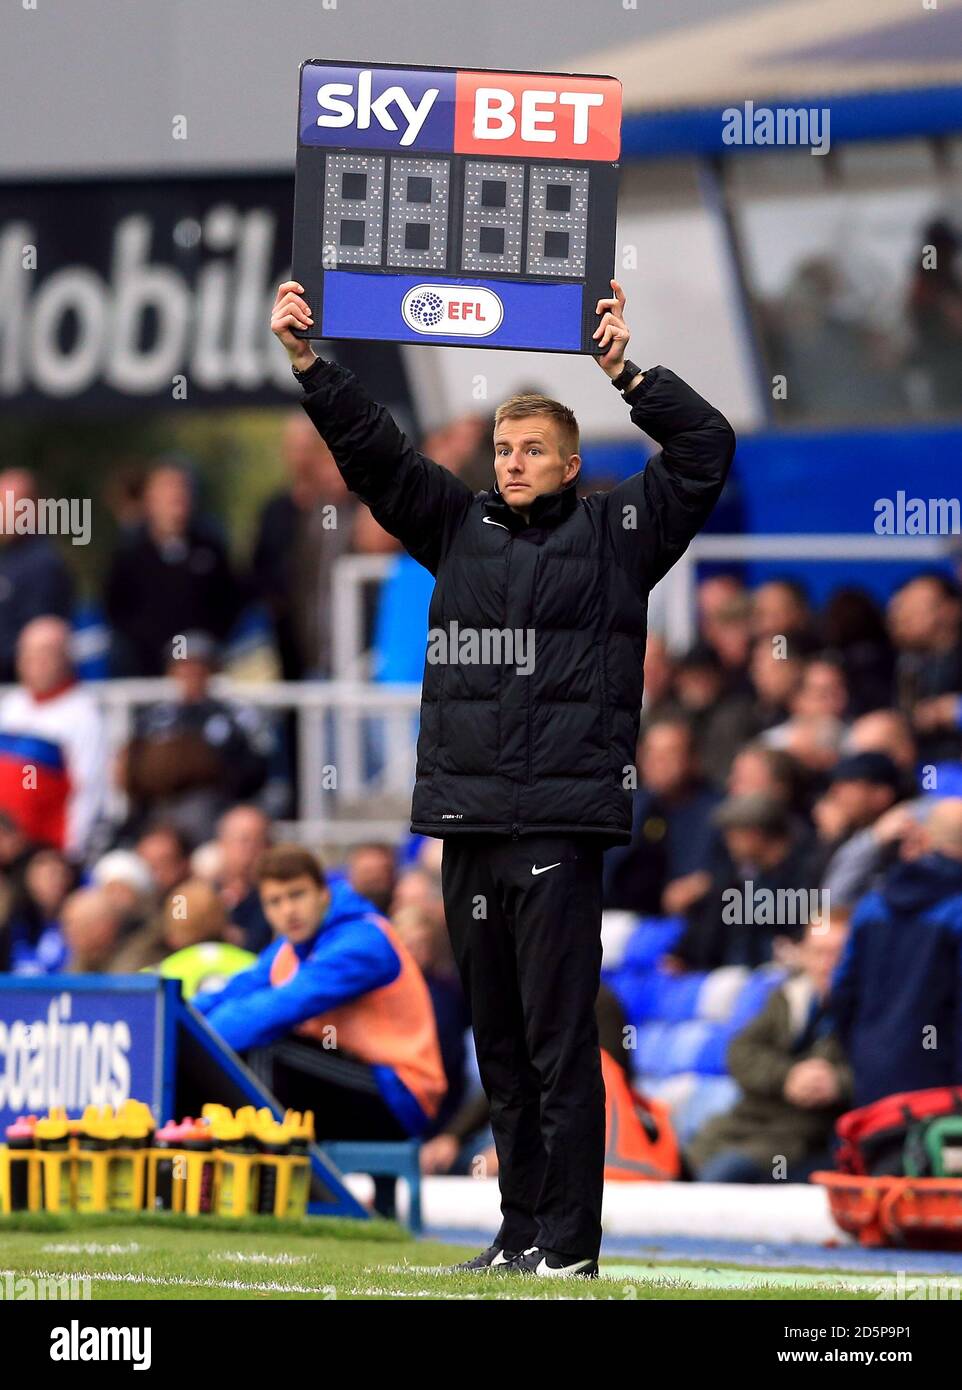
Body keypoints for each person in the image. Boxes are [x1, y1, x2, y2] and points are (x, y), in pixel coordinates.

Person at [271, 275, 735, 1277]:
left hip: (559, 824)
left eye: (533, 450)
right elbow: (374, 452)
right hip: (466, 817)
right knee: (501, 1046)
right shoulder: (454, 528)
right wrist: (312, 363)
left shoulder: (620, 533)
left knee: (560, 1045)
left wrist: (623, 368)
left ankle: (568, 1245)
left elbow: (706, 451)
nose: (514, 463)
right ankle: (518, 1230)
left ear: (571, 462)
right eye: (503, 449)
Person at [194, 845, 446, 1142]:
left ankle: (268, 1175)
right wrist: (174, 1016)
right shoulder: (288, 949)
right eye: (274, 902)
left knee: (265, 1048)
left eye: (297, 895)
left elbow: (284, 1005)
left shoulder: (365, 940)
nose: (287, 911)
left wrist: (196, 1038)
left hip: (401, 1096)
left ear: (323, 894)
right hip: (345, 1076)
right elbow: (234, 991)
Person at [687, 917, 851, 1182]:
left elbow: (883, 1074)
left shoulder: (866, 1010)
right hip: (747, 1123)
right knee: (678, 1161)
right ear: (804, 955)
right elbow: (740, 1052)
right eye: (818, 952)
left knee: (723, 1173)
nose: (826, 963)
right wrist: (787, 1076)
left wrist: (837, 1083)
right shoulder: (788, 996)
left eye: (837, 954)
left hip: (802, 1139)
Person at [829, 797, 962, 1108]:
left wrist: (864, 1052)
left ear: (924, 840)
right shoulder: (955, 912)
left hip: (874, 1078)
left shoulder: (872, 905)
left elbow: (843, 993)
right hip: (944, 1090)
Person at [105, 462, 243, 676]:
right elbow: (118, 612)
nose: (177, 497)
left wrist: (199, 653)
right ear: (150, 500)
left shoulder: (210, 551)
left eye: (182, 489)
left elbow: (228, 605)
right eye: (168, 490)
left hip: (201, 676)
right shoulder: (129, 556)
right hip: (146, 674)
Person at [0, 616, 107, 860]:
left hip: (44, 853)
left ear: (66, 657)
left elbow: (90, 789)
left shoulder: (83, 713)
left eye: (45, 652)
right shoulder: (10, 705)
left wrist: (72, 854)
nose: (34, 661)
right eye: (27, 652)